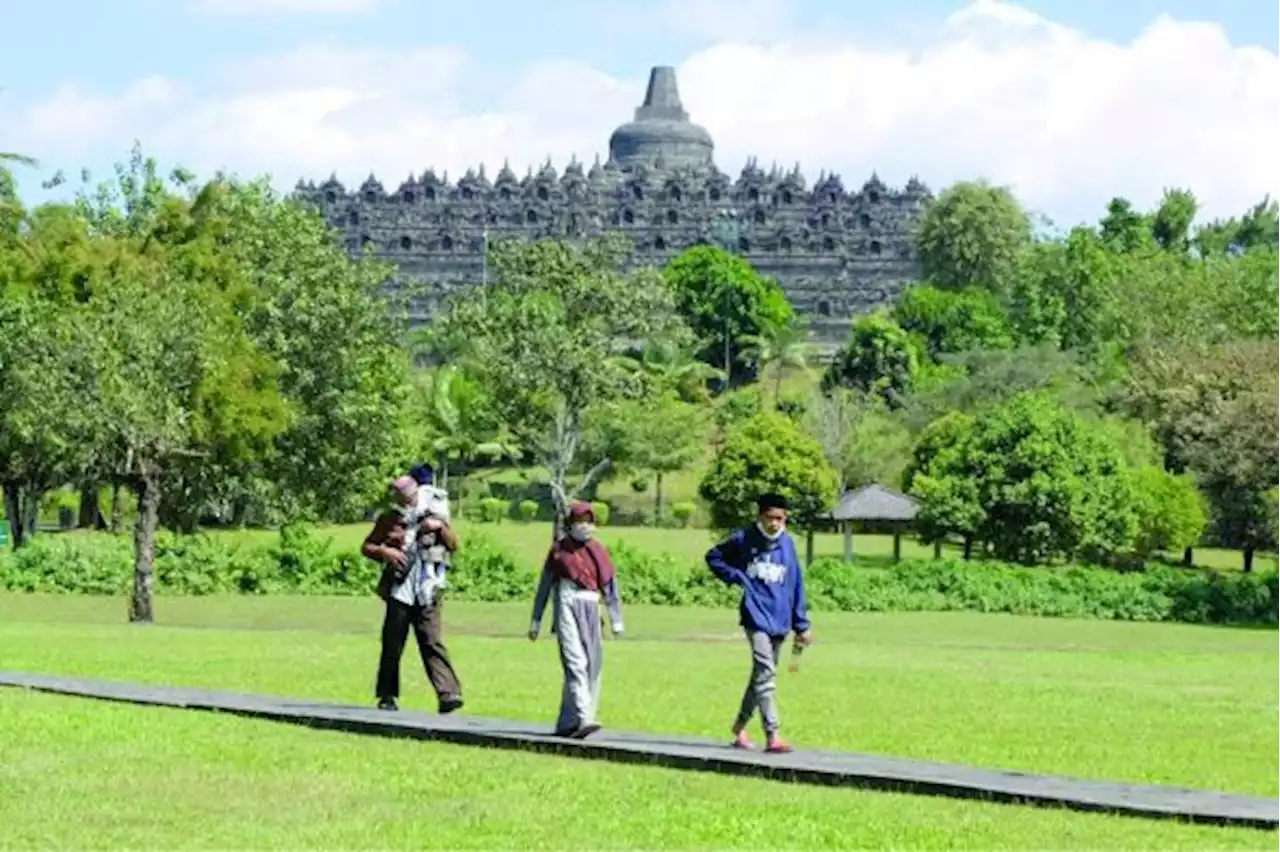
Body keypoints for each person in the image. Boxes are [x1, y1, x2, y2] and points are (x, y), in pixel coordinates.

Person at [705, 492, 811, 754]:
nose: (774, 523)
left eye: (779, 518)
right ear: (760, 516)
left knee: (760, 677)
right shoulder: (744, 538)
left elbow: (796, 585)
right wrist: (735, 576)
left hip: (781, 618)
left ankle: (740, 727)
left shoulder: (788, 545)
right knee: (766, 674)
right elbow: (713, 557)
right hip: (755, 616)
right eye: (769, 517)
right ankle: (772, 734)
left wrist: (802, 625)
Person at [362, 475, 464, 714]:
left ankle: (448, 693)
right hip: (400, 589)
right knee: (392, 644)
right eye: (402, 498)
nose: (407, 502)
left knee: (431, 641)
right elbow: (367, 547)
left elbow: (453, 546)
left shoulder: (433, 514)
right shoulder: (389, 519)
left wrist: (441, 527)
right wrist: (385, 552)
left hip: (429, 588)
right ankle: (387, 695)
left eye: (410, 497)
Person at [528, 502, 624, 739]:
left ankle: (568, 722)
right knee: (575, 662)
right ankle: (584, 717)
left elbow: (610, 587)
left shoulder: (598, 551)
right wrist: (536, 620)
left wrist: (616, 620)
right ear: (569, 524)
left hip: (591, 607)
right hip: (567, 602)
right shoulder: (559, 551)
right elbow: (545, 586)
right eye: (579, 522)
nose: (584, 526)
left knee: (593, 664)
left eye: (588, 522)